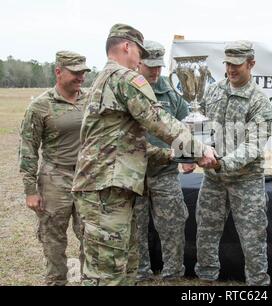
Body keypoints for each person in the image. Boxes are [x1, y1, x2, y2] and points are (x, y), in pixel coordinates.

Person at [71, 23, 217, 286]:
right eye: (139, 51)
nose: (140, 58)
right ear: (127, 46)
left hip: (105, 185)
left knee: (120, 265)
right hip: (107, 187)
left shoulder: (103, 78)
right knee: (107, 271)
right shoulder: (125, 78)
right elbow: (158, 119)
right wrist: (200, 150)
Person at [195, 40, 272, 286]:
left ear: (251, 64)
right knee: (205, 232)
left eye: (237, 64)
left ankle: (257, 285)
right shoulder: (213, 91)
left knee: (253, 239)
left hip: (246, 180)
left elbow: (253, 146)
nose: (231, 69)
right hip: (213, 179)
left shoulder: (260, 102)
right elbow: (199, 126)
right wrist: (191, 150)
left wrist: (221, 163)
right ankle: (205, 281)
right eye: (228, 63)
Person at [18, 51, 91, 286]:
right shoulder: (41, 106)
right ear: (58, 72)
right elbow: (28, 148)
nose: (80, 77)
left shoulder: (90, 100)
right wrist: (30, 190)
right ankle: (57, 281)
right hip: (54, 178)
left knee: (90, 236)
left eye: (83, 73)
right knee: (53, 240)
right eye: (75, 72)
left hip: (87, 178)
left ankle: (89, 280)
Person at [134, 40, 194, 281]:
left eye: (159, 66)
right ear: (139, 63)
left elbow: (185, 125)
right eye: (150, 67)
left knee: (173, 225)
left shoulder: (170, 92)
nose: (155, 72)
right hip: (134, 174)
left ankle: (173, 274)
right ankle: (140, 273)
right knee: (135, 228)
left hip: (165, 173)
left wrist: (186, 156)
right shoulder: (128, 88)